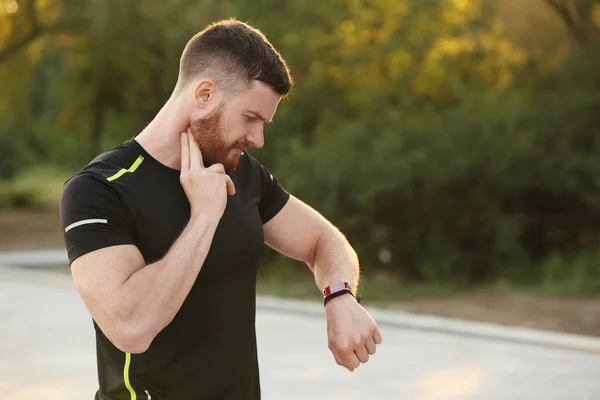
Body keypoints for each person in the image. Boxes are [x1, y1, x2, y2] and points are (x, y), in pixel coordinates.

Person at [60, 18, 383, 400]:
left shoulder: (242, 173)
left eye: (264, 123)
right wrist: (204, 216)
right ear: (204, 94)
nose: (258, 139)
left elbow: (322, 239)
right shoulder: (99, 189)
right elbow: (130, 327)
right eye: (251, 118)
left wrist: (340, 295)